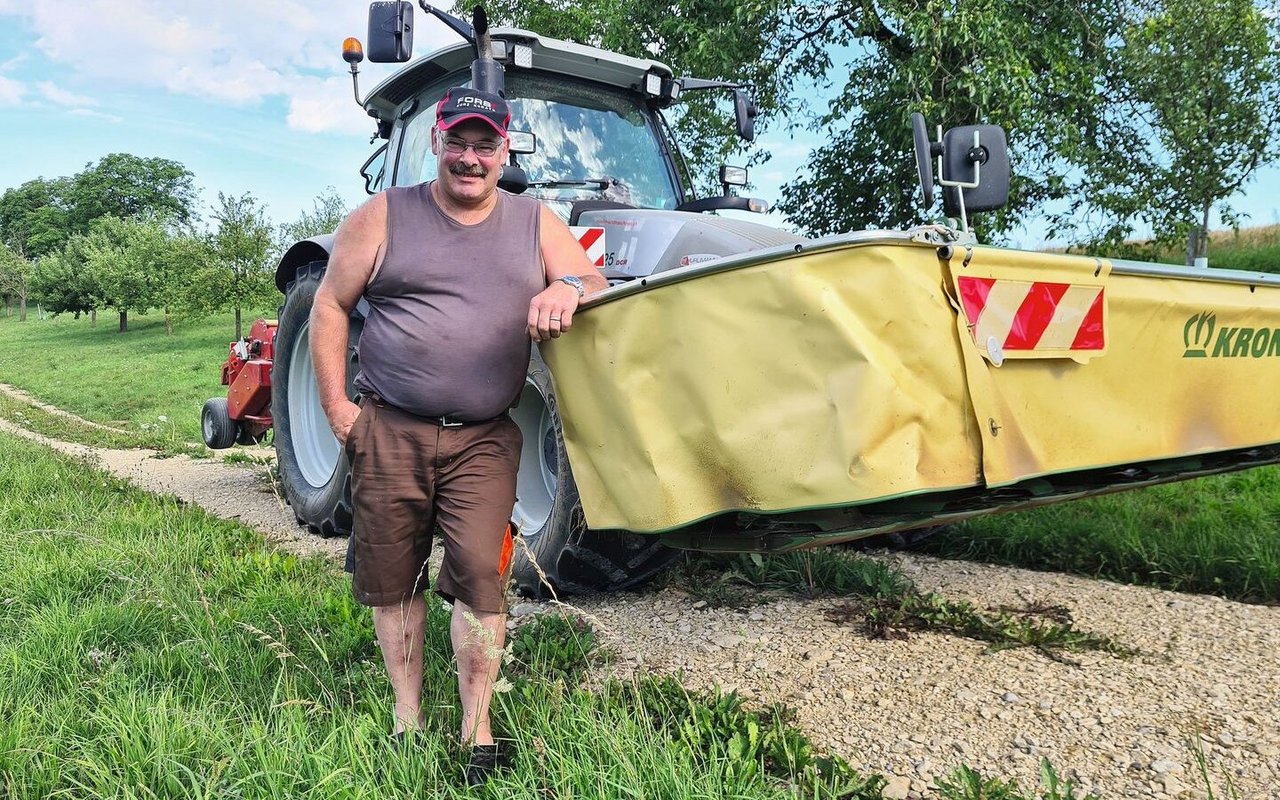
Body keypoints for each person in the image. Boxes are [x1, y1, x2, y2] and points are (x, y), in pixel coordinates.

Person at [310, 86, 606, 784]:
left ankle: (477, 726)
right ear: (437, 141)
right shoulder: (383, 216)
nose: (470, 158)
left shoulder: (534, 219)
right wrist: (337, 412)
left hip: (483, 439)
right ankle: (407, 721)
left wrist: (566, 285)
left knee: (482, 580)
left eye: (486, 144)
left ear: (506, 150)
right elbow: (329, 305)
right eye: (458, 141)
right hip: (389, 429)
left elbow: (591, 279)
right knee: (394, 578)